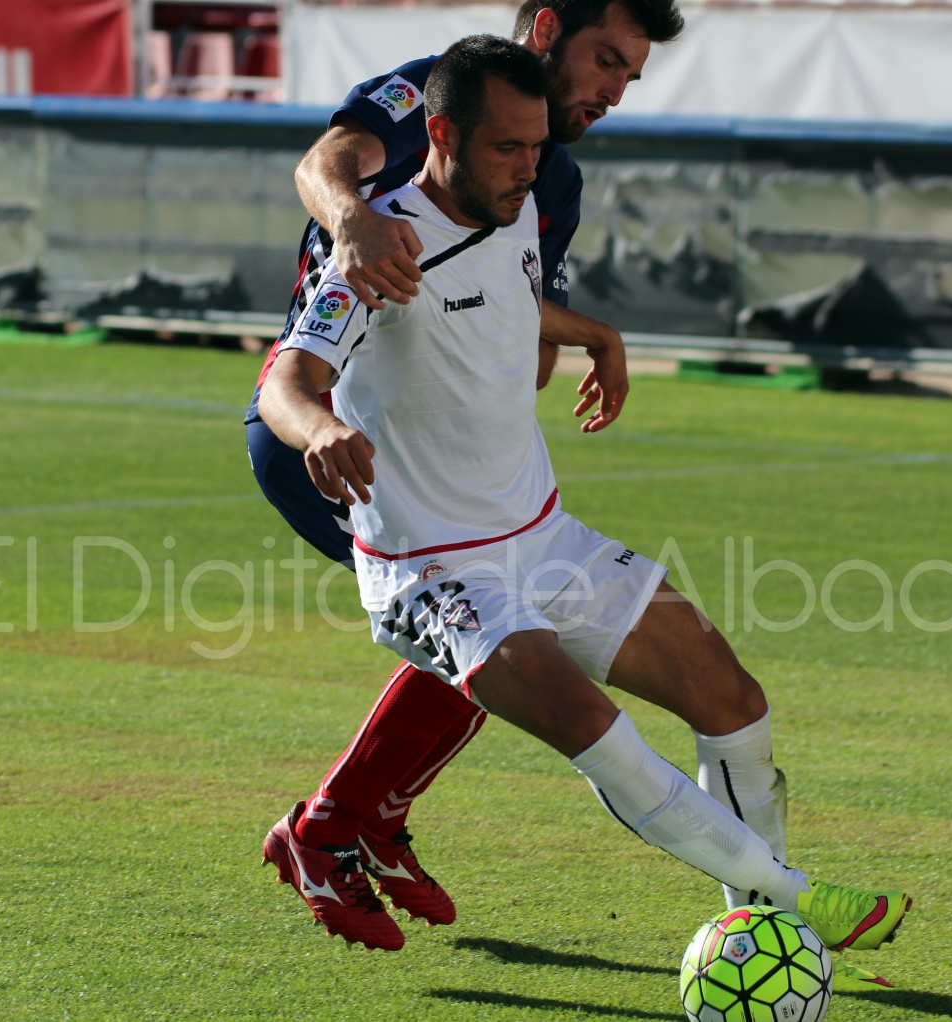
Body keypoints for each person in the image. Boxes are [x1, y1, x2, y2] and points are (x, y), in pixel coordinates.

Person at [258, 36, 913, 959]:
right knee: (602, 734)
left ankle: (759, 932)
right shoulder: (382, 246)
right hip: (435, 575)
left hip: (541, 537)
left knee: (736, 701)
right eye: (506, 149)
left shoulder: (516, 204)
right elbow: (287, 382)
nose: (529, 169)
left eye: (536, 148)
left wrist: (594, 331)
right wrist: (319, 428)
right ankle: (794, 903)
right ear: (440, 134)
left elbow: (500, 299)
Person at [245, 0, 673, 937]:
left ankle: (365, 818)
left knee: (494, 612)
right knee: (479, 609)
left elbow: (513, 313)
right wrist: (354, 217)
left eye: (629, 77)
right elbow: (322, 165)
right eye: (605, 59)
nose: (612, 90)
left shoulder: (551, 176)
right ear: (548, 28)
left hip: (437, 456)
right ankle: (340, 825)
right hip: (323, 429)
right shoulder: (432, 90)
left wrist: (582, 339)